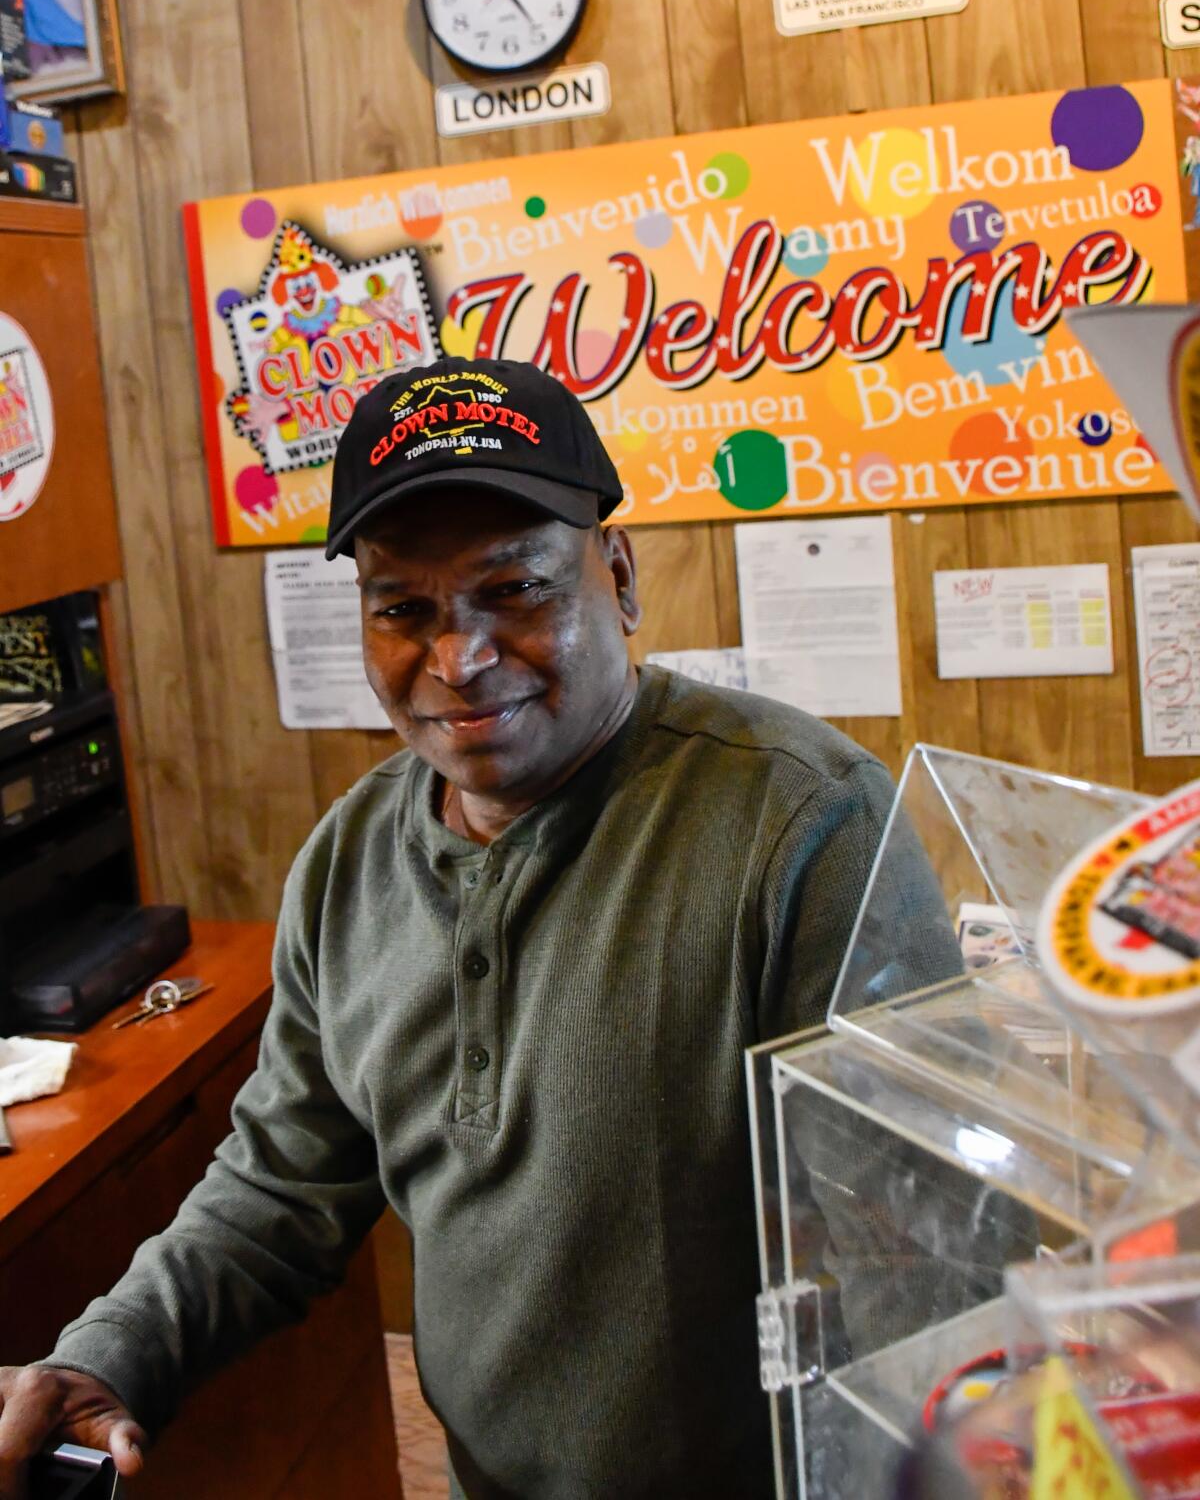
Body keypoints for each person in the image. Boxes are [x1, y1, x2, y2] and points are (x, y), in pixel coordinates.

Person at [0, 356, 960, 1500]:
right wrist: (111, 1354)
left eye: (516, 592)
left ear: (617, 575)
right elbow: (282, 1188)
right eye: (403, 609)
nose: (458, 660)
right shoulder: (348, 862)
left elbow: (921, 1252)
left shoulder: (806, 824)